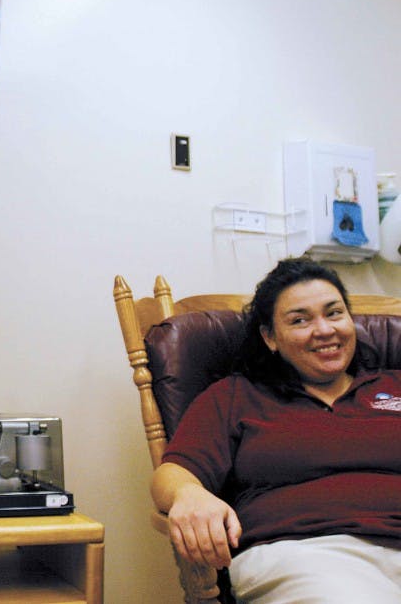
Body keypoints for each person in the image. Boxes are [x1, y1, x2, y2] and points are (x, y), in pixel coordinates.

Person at [151, 257, 401, 603]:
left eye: (334, 313)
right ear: (270, 337)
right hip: (306, 555)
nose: (325, 330)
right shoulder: (236, 396)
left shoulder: (394, 386)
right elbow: (172, 473)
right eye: (300, 320)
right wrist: (190, 495)